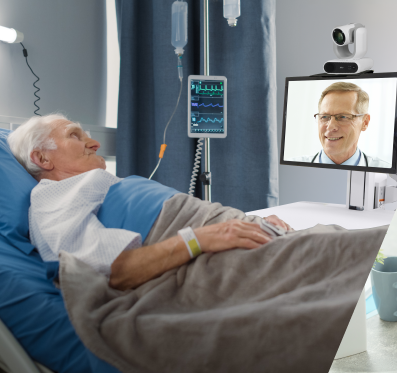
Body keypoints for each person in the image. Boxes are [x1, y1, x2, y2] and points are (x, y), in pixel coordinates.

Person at [8, 114, 292, 290]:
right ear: (42, 158)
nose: (95, 143)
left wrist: (248, 222)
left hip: (240, 236)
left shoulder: (94, 185)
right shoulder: (51, 196)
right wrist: (197, 239)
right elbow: (106, 270)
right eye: (74, 135)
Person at [287, 82, 390, 168]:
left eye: (343, 117)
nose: (331, 127)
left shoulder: (390, 174)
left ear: (365, 122)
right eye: (324, 117)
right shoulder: (289, 167)